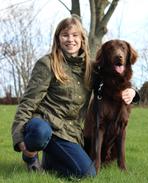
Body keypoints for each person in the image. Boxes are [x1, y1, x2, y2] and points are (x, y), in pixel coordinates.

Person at [11, 15, 139, 178]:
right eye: (65, 35)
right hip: (44, 124)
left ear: (82, 39)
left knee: (88, 174)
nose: (70, 39)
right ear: (58, 39)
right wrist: (19, 138)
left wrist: (134, 92)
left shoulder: (91, 68)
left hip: (69, 132)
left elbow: (113, 81)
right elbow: (27, 103)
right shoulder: (47, 64)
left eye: (75, 35)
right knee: (39, 132)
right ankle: (30, 156)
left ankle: (50, 161)